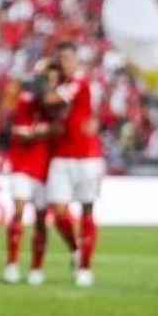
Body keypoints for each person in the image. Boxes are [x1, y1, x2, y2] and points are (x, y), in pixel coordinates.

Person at [45, 42, 104, 288]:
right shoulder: (64, 83)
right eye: (61, 60)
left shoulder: (80, 82)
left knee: (87, 210)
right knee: (58, 212)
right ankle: (77, 249)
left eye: (68, 59)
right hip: (62, 155)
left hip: (87, 157)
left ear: (76, 60)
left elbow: (49, 99)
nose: (65, 64)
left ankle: (85, 268)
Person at [3, 62, 57, 285]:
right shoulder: (24, 100)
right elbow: (16, 129)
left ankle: (36, 267)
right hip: (21, 164)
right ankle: (12, 264)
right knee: (18, 211)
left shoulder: (57, 106)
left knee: (41, 218)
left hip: (45, 167)